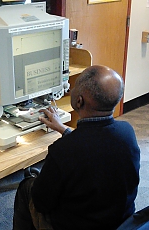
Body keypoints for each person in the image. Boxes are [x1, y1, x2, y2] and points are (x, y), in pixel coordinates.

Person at [13, 65, 140, 230]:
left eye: (73, 88)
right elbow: (95, 145)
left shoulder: (63, 150)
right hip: (119, 222)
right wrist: (63, 129)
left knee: (27, 187)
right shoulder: (127, 132)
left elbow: (41, 203)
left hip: (74, 225)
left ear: (79, 100)